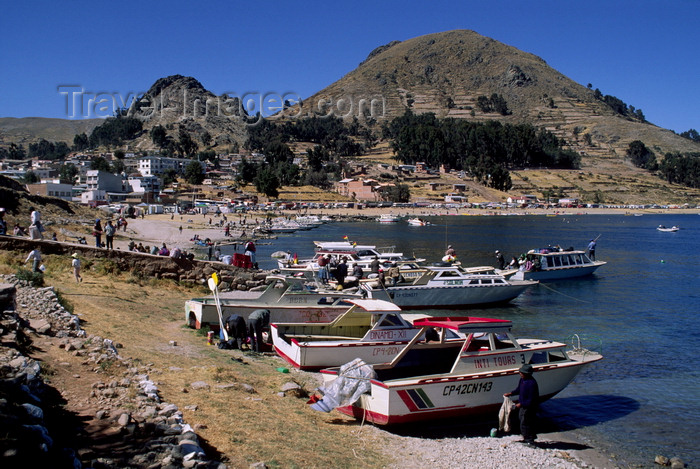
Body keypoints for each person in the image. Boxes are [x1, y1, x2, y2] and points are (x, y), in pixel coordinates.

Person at [504, 364, 540, 445]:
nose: (520, 373)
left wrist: (520, 404)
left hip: (529, 407)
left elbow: (531, 399)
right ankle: (527, 438)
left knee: (526, 423)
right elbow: (519, 389)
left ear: (527, 374)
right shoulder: (522, 380)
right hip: (523, 406)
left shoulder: (531, 383)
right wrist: (510, 393)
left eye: (522, 372)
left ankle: (529, 441)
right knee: (522, 421)